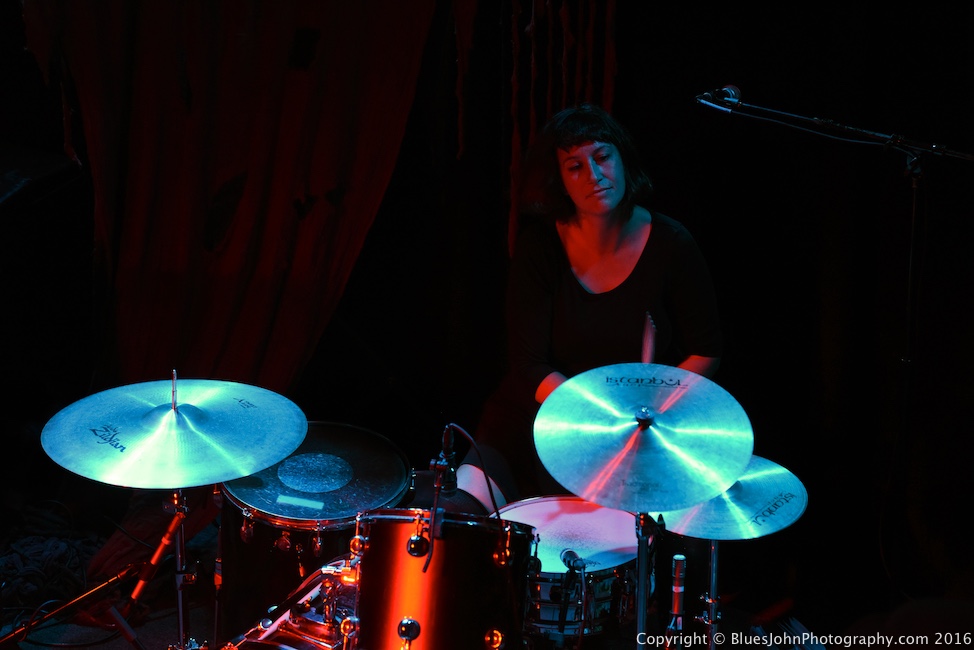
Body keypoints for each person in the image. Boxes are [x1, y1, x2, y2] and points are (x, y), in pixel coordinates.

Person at [455, 103, 724, 512]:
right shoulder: (539, 248)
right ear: (560, 181)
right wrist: (597, 415)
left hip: (633, 436)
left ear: (622, 158)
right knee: (460, 514)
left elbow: (706, 350)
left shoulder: (673, 244)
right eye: (575, 166)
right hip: (532, 424)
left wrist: (642, 414)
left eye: (602, 157)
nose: (595, 175)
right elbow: (529, 365)